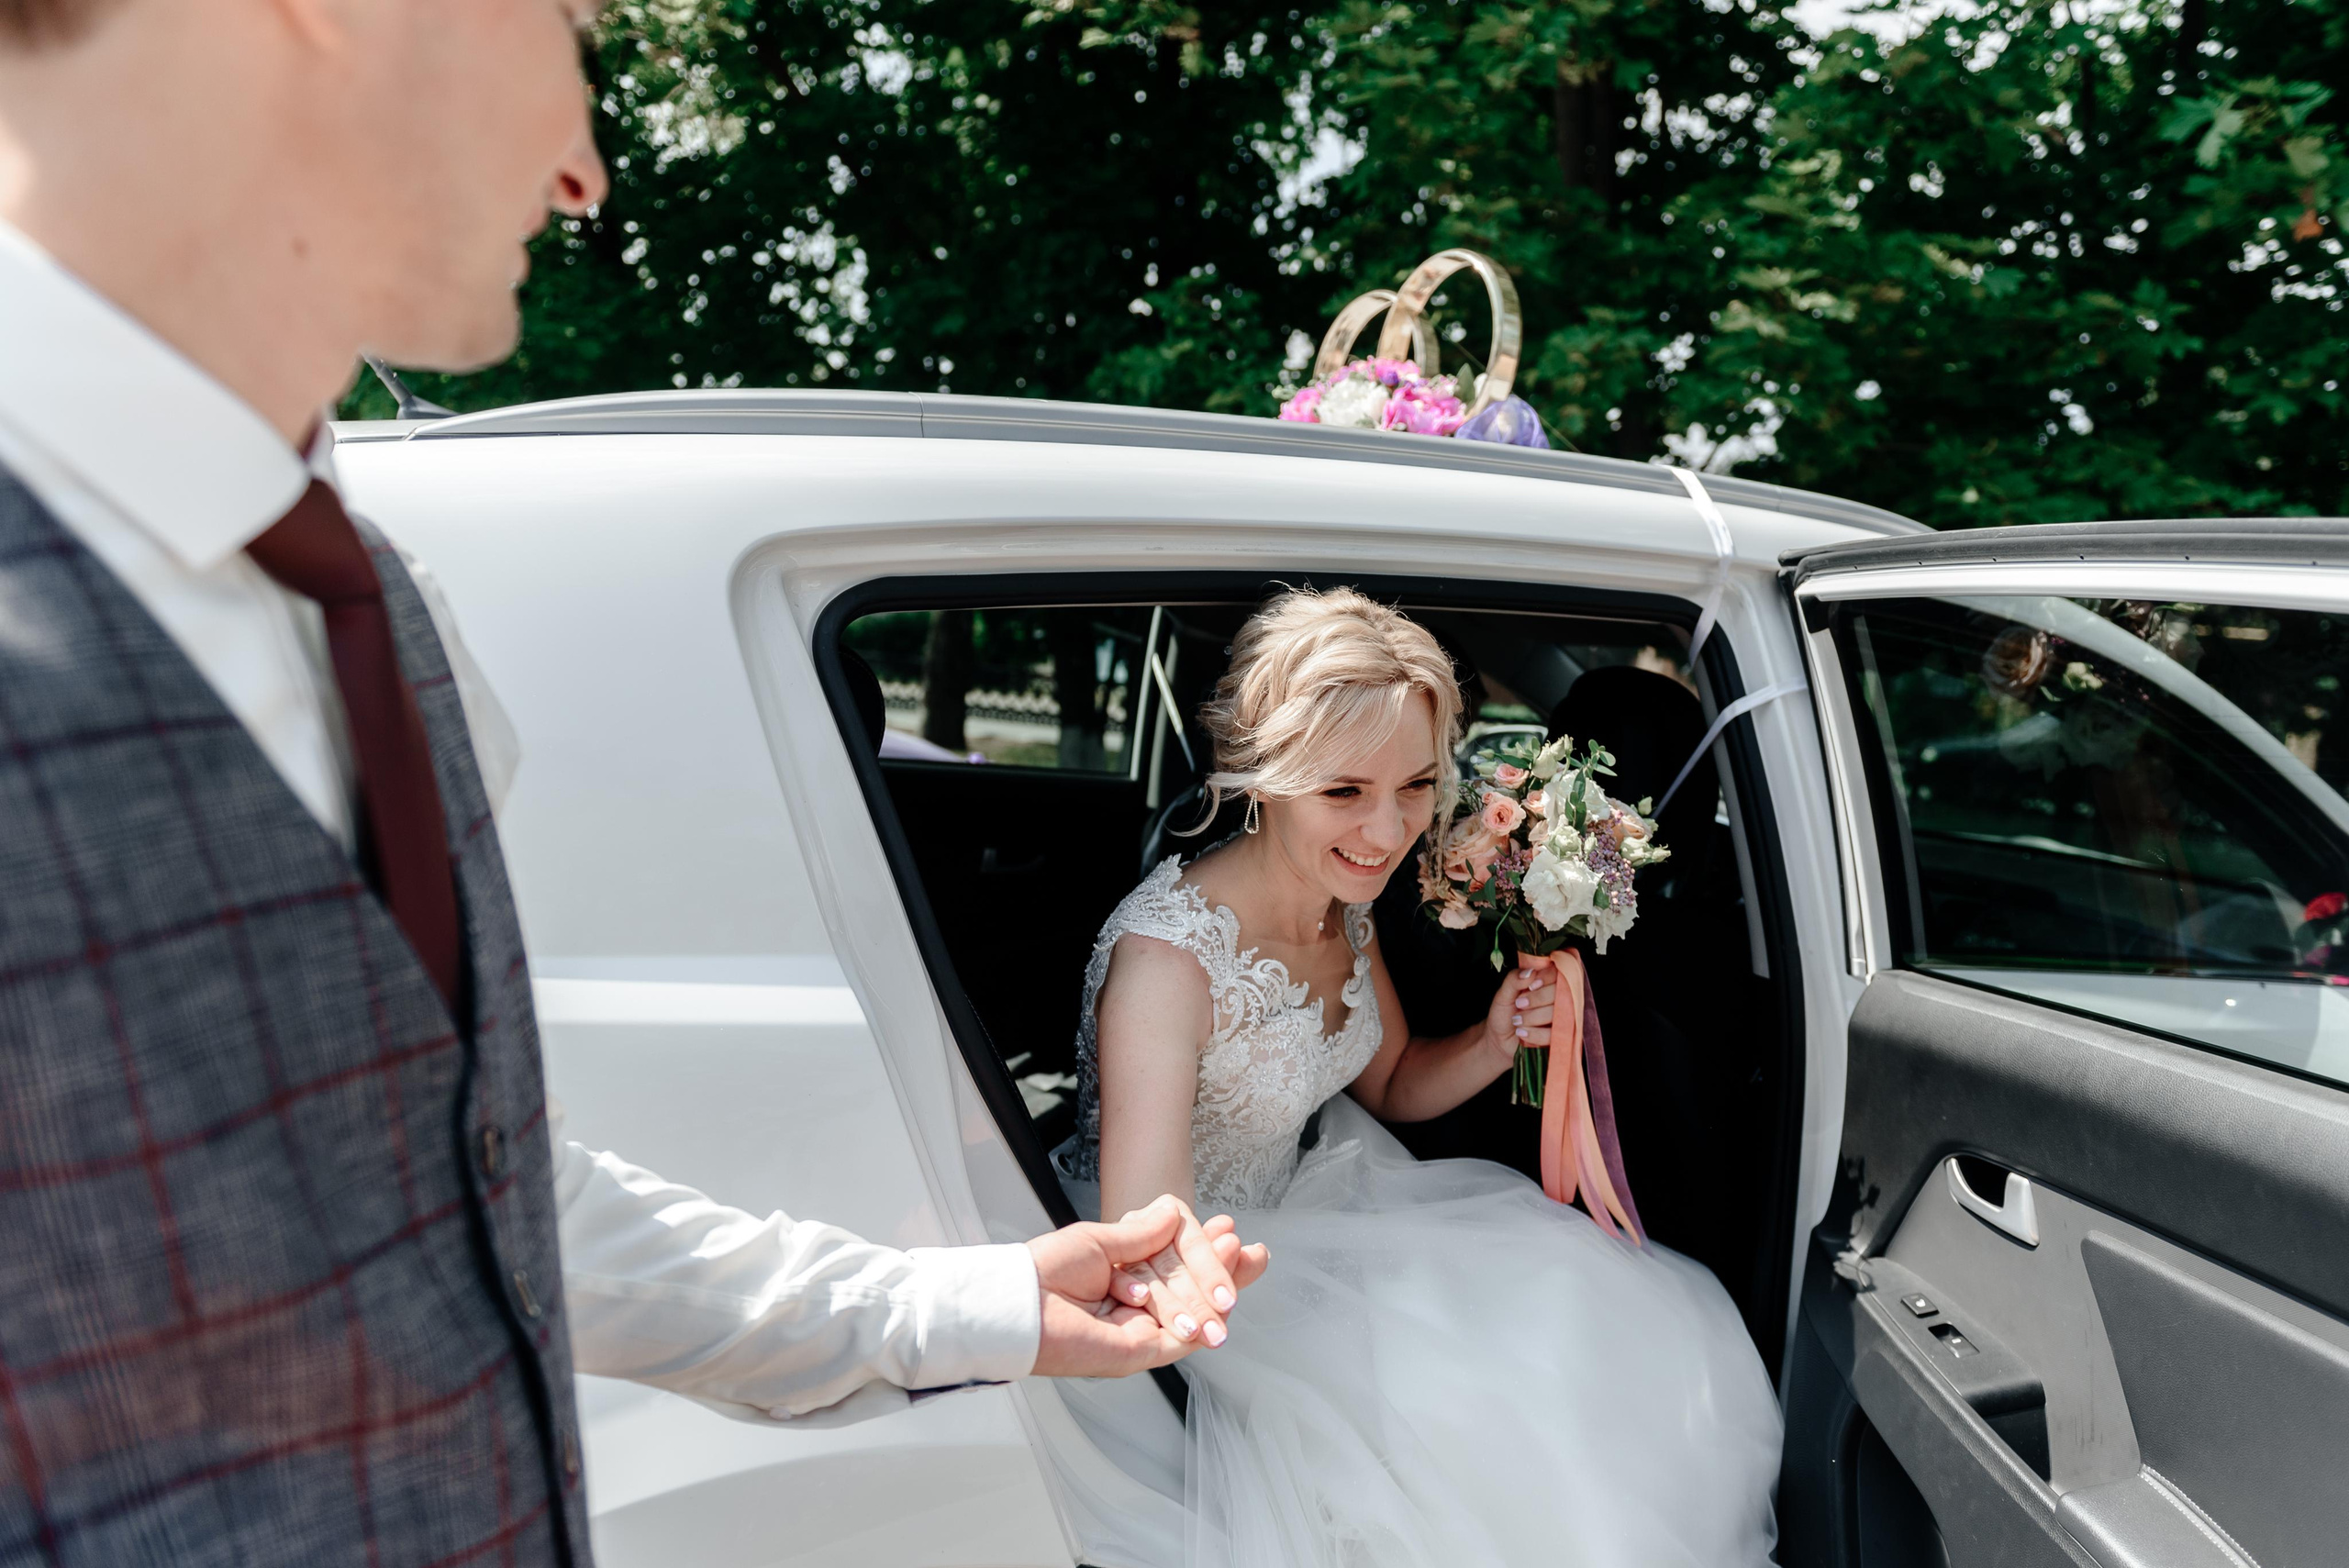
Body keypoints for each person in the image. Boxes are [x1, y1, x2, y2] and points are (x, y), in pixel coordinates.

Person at [0, 2, 1261, 1563]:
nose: (590, 165)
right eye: (573, 21)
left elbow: (474, 1184)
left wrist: (974, 1300)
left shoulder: (372, 604)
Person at [1053, 587, 1781, 1567]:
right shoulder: (1167, 964)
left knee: (1605, 1312)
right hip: (1192, 1268)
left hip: (1313, 1204)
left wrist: (1491, 1039)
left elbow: (1389, 1079)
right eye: (1343, 790)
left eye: (1416, 785)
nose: (1389, 829)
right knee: (1476, 1426)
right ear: (1263, 772)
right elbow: (1149, 1244)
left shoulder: (1340, 901)